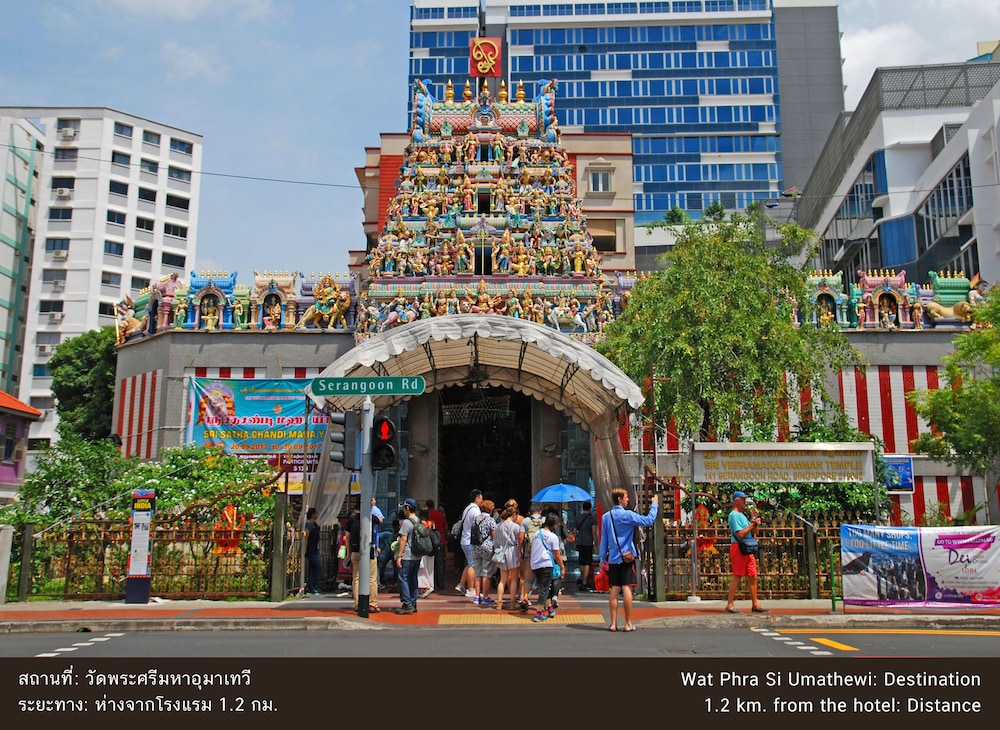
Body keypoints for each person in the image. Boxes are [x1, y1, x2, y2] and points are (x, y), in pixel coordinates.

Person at [599, 488, 658, 632]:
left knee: (614, 588)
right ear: (619, 499)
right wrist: (654, 505)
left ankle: (613, 623)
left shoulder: (607, 517)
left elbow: (604, 539)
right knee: (627, 587)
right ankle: (628, 623)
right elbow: (648, 520)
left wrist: (602, 558)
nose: (628, 500)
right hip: (627, 557)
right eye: (625, 497)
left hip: (613, 557)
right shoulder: (628, 515)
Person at [725, 491, 768, 614]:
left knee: (752, 576)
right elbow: (739, 534)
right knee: (737, 575)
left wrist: (755, 521)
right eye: (742, 499)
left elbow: (755, 532)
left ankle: (755, 604)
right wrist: (752, 524)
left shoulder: (743, 516)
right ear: (736, 500)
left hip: (747, 547)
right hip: (739, 546)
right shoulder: (733, 515)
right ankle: (730, 604)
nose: (744, 502)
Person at [343, 497, 384, 613]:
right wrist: (373, 506)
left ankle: (357, 604)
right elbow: (380, 520)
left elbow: (347, 536)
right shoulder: (371, 517)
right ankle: (372, 603)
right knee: (372, 578)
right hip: (369, 550)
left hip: (355, 550)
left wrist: (348, 551)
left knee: (356, 578)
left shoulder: (352, 519)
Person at [529, 513, 565, 622]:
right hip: (546, 564)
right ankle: (538, 612)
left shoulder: (537, 534)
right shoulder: (553, 537)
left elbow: (533, 549)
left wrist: (531, 565)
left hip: (536, 564)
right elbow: (557, 554)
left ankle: (549, 608)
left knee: (544, 587)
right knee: (544, 589)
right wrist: (562, 566)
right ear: (554, 524)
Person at [394, 498, 421, 615]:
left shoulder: (406, 523)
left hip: (407, 555)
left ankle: (407, 603)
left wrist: (399, 556)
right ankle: (413, 603)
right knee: (413, 579)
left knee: (402, 578)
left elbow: (403, 539)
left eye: (404, 508)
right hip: (417, 556)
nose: (404, 511)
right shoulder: (418, 521)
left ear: (408, 508)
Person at [493, 503, 521, 609]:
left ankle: (499, 603)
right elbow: (519, 541)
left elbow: (495, 542)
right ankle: (512, 604)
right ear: (514, 514)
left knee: (502, 579)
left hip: (501, 551)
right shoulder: (516, 527)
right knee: (513, 579)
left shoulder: (499, 526)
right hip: (512, 551)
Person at [456, 489, 484, 597]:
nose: (482, 500)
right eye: (481, 498)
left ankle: (461, 585)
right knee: (473, 565)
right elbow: (479, 526)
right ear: (477, 499)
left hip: (465, 539)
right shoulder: (476, 511)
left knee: (469, 563)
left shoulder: (467, 508)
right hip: (470, 540)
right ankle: (471, 589)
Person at [518, 503, 544, 610]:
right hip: (542, 554)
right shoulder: (545, 520)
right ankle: (544, 603)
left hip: (530, 553)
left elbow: (521, 538)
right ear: (540, 511)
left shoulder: (525, 521)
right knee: (543, 580)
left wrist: (520, 551)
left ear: (530, 512)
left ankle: (524, 598)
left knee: (528, 578)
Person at [471, 500, 497, 605]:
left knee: (477, 572)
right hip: (487, 548)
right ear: (490, 509)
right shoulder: (490, 520)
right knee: (486, 573)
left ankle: (477, 596)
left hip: (475, 547)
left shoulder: (475, 519)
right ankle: (485, 596)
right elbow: (494, 535)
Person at [573, 501, 598, 591]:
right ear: (590, 508)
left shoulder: (578, 518)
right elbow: (594, 532)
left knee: (582, 562)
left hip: (580, 542)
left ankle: (583, 577)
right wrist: (595, 543)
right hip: (588, 542)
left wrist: (575, 541)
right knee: (587, 562)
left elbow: (574, 531)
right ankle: (585, 582)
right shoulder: (592, 519)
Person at [425, 499, 448, 591]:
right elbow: (445, 527)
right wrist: (446, 539)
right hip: (440, 541)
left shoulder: (426, 515)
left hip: (429, 542)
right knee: (440, 563)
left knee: (429, 563)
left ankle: (431, 583)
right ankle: (440, 584)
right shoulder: (440, 514)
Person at [417, 507, 436, 598]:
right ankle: (429, 585)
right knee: (430, 569)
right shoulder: (431, 523)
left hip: (423, 549)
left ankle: (425, 587)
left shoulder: (420, 524)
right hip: (431, 548)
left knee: (422, 569)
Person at [304, 507, 321, 595]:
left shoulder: (315, 524)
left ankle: (312, 586)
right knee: (318, 566)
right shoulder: (309, 525)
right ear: (313, 515)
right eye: (316, 513)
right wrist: (305, 549)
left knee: (312, 568)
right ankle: (312, 585)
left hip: (315, 548)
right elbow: (306, 536)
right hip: (311, 549)